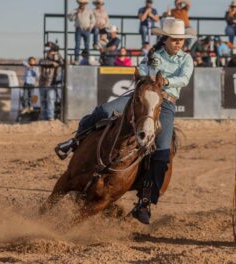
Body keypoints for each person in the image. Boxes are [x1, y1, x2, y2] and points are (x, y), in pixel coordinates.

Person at [55, 19, 195, 225]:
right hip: (142, 96)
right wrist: (150, 78)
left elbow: (184, 79)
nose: (179, 43)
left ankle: (145, 200)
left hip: (165, 104)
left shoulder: (186, 59)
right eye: (175, 39)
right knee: (103, 110)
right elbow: (141, 70)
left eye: (181, 40)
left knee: (163, 150)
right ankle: (75, 141)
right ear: (166, 39)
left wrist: (165, 81)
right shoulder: (154, 55)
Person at [39, 48, 63, 121]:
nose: (52, 55)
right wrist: (52, 63)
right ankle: (43, 116)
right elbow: (42, 63)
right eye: (50, 54)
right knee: (43, 100)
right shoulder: (43, 60)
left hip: (51, 84)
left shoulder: (58, 61)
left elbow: (61, 62)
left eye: (53, 54)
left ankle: (50, 116)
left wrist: (57, 55)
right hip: (42, 83)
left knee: (50, 100)